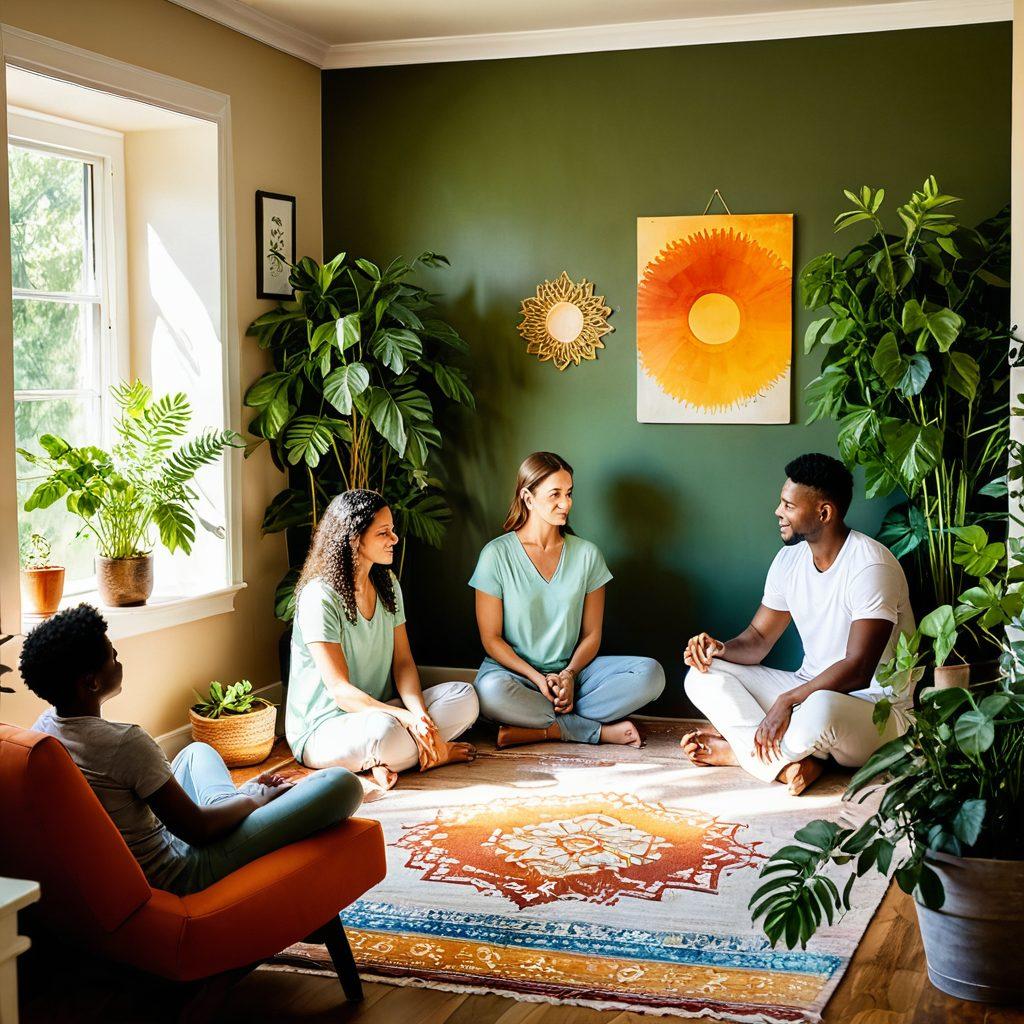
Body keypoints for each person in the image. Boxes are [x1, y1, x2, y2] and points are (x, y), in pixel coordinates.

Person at [24, 604, 363, 896]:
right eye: (111, 654)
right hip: (184, 868)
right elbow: (197, 831)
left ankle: (229, 804)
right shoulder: (125, 743)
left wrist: (246, 794)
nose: (117, 658)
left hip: (163, 834)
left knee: (195, 752)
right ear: (92, 683)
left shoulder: (44, 727)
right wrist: (255, 800)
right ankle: (237, 805)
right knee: (342, 785)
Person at [681, 452, 915, 795]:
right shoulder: (789, 560)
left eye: (788, 505)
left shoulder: (871, 567)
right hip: (809, 690)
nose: (778, 511)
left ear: (823, 512)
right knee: (702, 675)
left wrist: (788, 700)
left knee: (819, 707)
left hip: (874, 709)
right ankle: (788, 762)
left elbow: (858, 668)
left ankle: (742, 753)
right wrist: (719, 649)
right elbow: (759, 638)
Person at [470, 451, 665, 749]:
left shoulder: (587, 555)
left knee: (652, 675)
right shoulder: (495, 556)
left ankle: (537, 727)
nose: (567, 503)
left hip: (574, 673)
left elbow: (592, 635)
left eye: (569, 493)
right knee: (488, 694)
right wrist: (536, 678)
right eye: (555, 495)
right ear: (528, 497)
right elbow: (491, 638)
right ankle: (586, 730)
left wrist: (569, 676)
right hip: (514, 674)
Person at [287, 489, 479, 791]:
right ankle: (432, 751)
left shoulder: (387, 584)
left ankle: (384, 760)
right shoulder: (319, 597)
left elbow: (403, 663)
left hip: (382, 711)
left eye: (392, 530)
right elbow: (341, 692)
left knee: (464, 696)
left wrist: (418, 716)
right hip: (325, 729)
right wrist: (403, 717)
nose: (395, 539)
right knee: (384, 732)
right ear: (354, 539)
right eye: (383, 532)